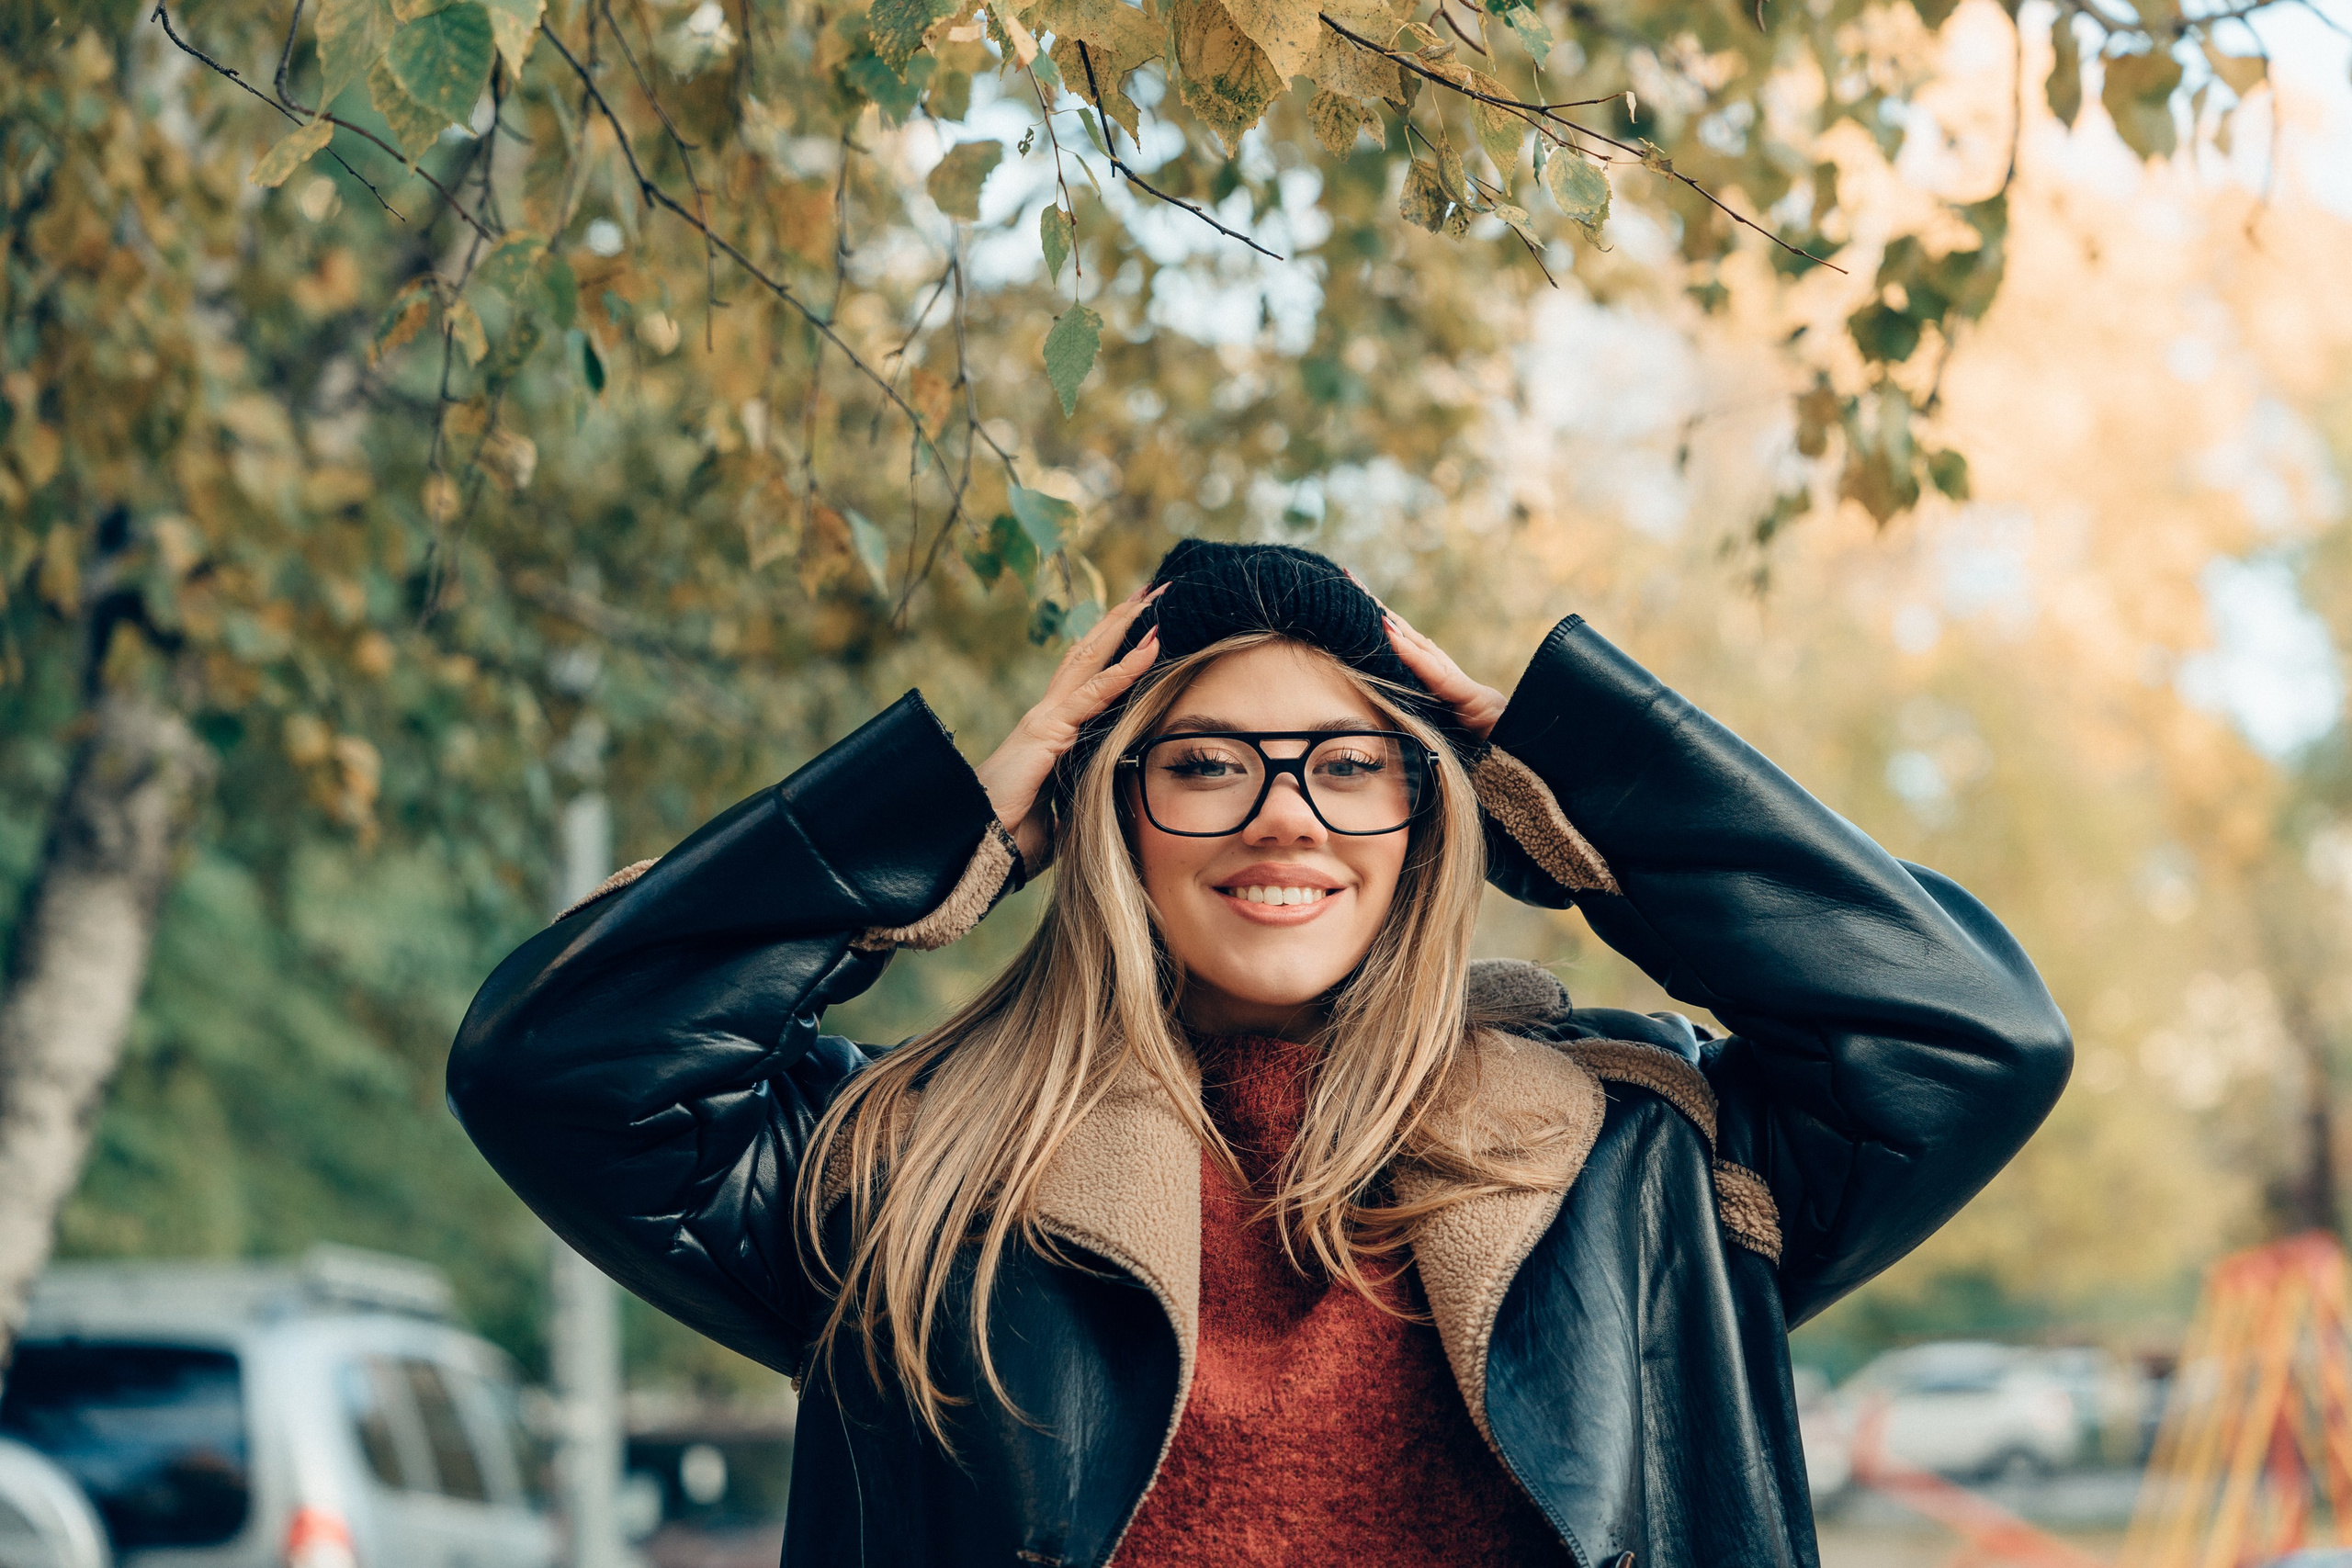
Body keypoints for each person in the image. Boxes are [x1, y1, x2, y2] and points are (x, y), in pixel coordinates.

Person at [447, 540, 2072, 1568]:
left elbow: (1962, 1035)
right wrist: (947, 830)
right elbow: (565, 1061)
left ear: (1438, 819)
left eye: (1352, 767)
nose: (1284, 811)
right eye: (1209, 763)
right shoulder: (912, 1176)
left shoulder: (1637, 1162)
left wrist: (1577, 788)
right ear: (1107, 817)